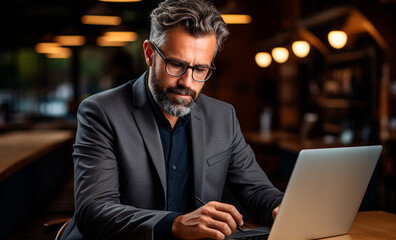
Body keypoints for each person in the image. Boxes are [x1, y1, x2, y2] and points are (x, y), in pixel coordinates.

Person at [61, 0, 282, 239]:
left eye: (200, 69)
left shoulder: (223, 116)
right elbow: (94, 210)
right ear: (149, 54)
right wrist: (174, 224)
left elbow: (257, 190)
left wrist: (282, 209)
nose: (187, 82)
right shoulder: (100, 112)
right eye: (176, 64)